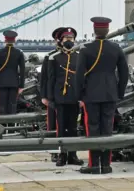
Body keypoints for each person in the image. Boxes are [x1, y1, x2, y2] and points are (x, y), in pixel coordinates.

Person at [75, 17, 129, 174]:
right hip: (110, 94)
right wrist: (119, 93)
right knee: (107, 129)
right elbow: (124, 74)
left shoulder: (85, 49)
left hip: (91, 95)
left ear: (94, 31)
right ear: (107, 31)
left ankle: (93, 165)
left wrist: (80, 95)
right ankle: (106, 165)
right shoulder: (116, 48)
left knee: (93, 129)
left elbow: (79, 76)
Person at [48, 27, 84, 167]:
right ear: (61, 41)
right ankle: (62, 155)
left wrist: (82, 97)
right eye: (66, 39)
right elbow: (51, 79)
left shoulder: (79, 57)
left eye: (71, 38)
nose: (69, 41)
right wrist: (50, 98)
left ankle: (73, 155)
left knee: (73, 128)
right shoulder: (55, 58)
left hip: (74, 97)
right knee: (61, 128)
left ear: (74, 40)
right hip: (61, 97)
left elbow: (82, 79)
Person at [40, 27, 64, 163]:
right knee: (53, 125)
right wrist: (44, 96)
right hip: (53, 96)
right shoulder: (50, 56)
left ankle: (69, 152)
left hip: (69, 96)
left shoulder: (75, 55)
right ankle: (54, 152)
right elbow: (44, 79)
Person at [0, 30, 26, 116]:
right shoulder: (19, 53)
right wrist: (21, 85)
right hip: (14, 83)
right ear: (14, 40)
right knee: (12, 106)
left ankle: (3, 125)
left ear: (5, 40)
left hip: (1, 83)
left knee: (2, 106)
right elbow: (22, 70)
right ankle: (11, 128)